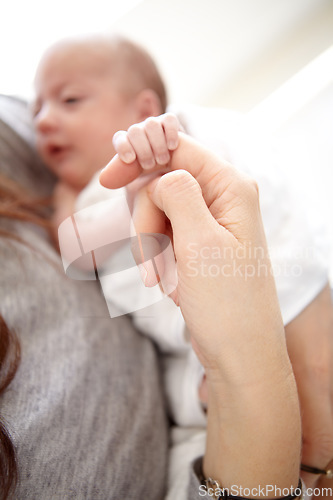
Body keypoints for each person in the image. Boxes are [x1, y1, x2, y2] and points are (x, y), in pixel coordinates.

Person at [32, 35, 333, 489]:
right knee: (190, 406)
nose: (43, 120)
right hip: (186, 347)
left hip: (256, 298)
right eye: (35, 109)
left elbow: (241, 180)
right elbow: (75, 249)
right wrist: (131, 199)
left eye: (68, 99)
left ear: (143, 109)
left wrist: (157, 165)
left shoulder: (180, 137)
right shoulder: (72, 194)